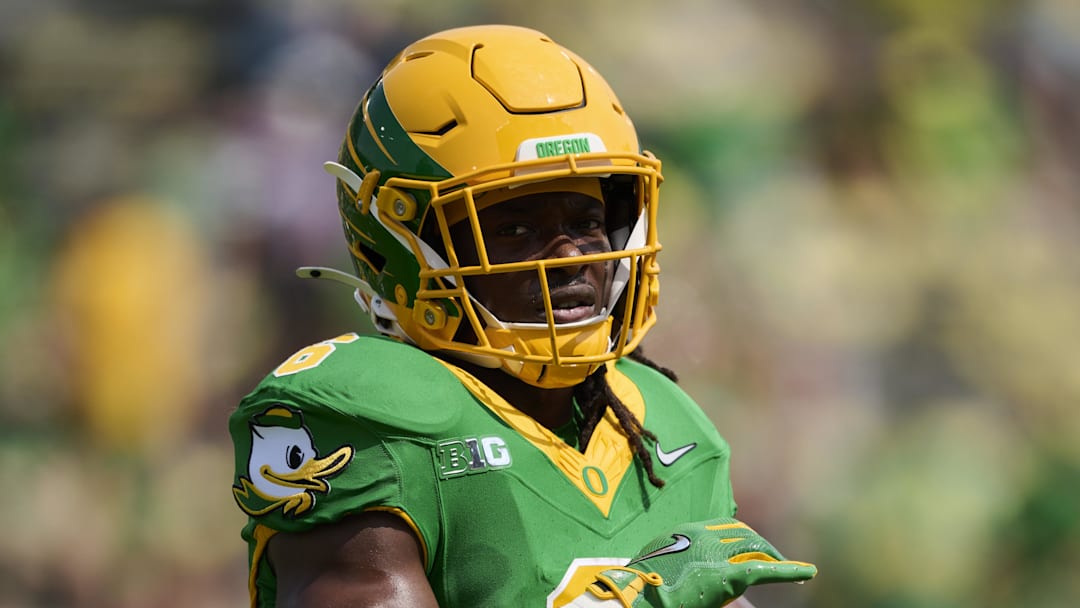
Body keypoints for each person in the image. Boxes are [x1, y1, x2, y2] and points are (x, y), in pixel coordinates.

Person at [229, 24, 816, 607]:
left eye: (587, 222)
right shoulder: (363, 416)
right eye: (513, 228)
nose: (570, 258)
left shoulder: (671, 426)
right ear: (398, 243)